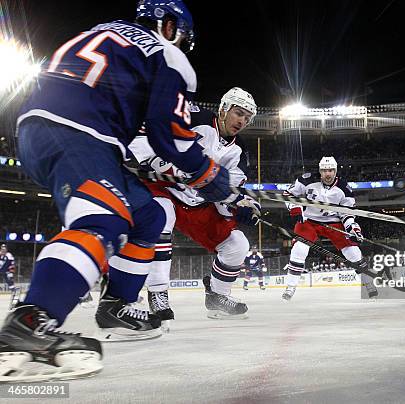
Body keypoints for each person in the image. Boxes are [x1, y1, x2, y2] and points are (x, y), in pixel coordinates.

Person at [0, 0, 232, 381]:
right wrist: (208, 174)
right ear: (170, 27)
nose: (183, 47)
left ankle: (117, 307)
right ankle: (29, 324)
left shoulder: (102, 29)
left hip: (44, 129)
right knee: (103, 218)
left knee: (148, 214)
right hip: (80, 131)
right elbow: (168, 134)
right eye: (184, 39)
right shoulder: (167, 55)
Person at [131, 87, 260, 320]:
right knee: (162, 217)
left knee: (237, 244)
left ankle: (216, 297)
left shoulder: (241, 150)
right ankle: (158, 291)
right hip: (165, 188)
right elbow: (149, 126)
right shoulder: (194, 117)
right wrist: (152, 158)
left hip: (198, 202)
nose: (242, 120)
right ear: (223, 108)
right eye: (238, 113)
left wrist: (242, 205)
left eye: (247, 118)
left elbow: (229, 189)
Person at [281, 156, 378, 301]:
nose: (328, 174)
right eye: (325, 170)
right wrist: (295, 207)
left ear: (335, 171)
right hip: (309, 221)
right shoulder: (306, 180)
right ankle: (290, 287)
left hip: (333, 222)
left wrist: (352, 229)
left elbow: (347, 214)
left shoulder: (344, 188)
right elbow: (287, 194)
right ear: (320, 171)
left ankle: (368, 283)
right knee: (299, 249)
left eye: (331, 170)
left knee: (353, 252)